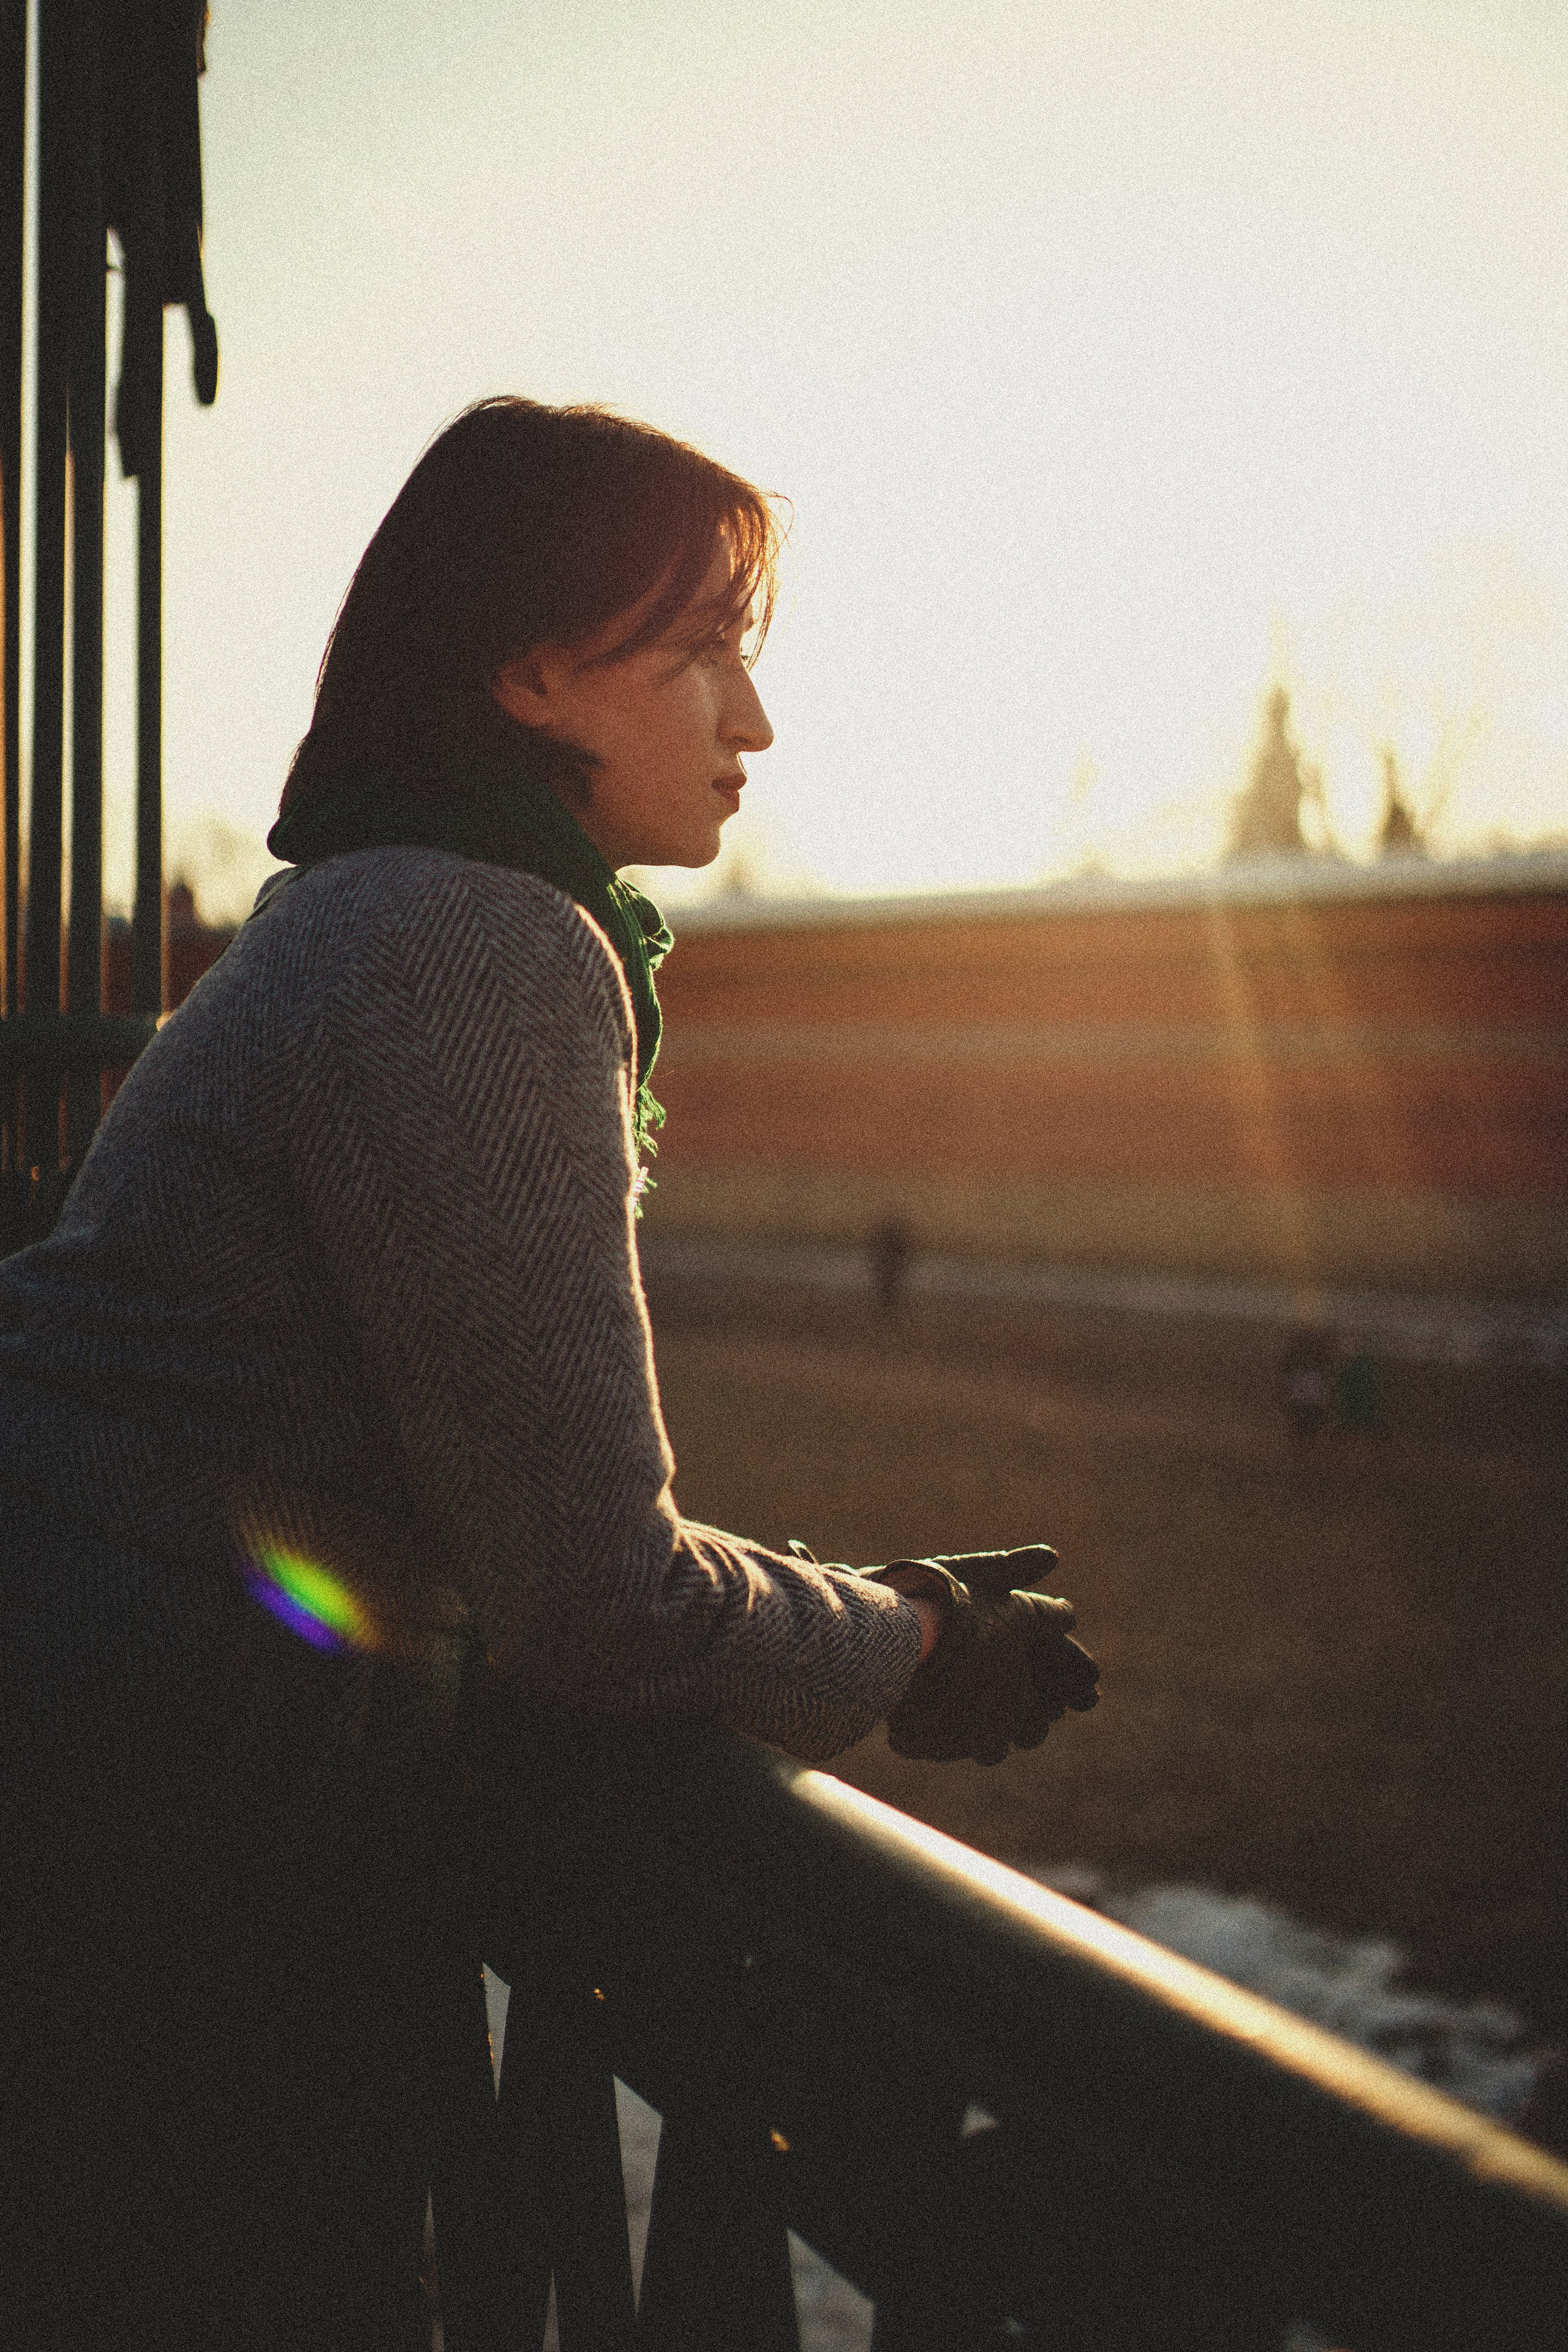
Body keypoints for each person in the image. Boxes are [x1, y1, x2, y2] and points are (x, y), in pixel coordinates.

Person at [0, 398, 1096, 2348]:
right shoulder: (475, 938)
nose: (755, 721)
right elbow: (594, 1598)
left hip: (125, 1778)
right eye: (702, 652)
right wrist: (915, 1643)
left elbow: (510, 1504)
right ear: (528, 671)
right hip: (165, 1863)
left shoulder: (366, 904)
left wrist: (841, 1608)